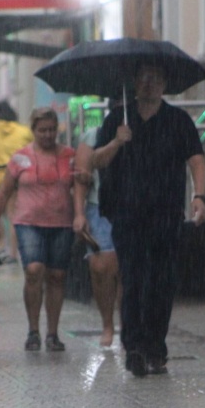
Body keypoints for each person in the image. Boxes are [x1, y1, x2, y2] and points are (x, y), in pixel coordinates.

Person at [91, 63, 205, 377]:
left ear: (164, 83)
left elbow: (196, 158)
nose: (149, 84)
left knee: (161, 281)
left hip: (166, 214)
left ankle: (156, 346)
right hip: (127, 213)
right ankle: (135, 348)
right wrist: (117, 141)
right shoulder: (118, 118)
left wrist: (200, 195)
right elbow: (95, 160)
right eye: (143, 78)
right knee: (132, 280)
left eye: (155, 79)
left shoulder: (178, 120)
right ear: (134, 83)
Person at [0, 108, 75, 352]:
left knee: (57, 276)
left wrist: (80, 215)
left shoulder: (69, 156)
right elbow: (3, 192)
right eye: (42, 130)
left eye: (51, 130)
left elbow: (81, 185)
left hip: (62, 223)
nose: (47, 135)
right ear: (33, 130)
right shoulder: (20, 158)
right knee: (34, 270)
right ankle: (33, 330)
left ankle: (52, 333)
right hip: (28, 222)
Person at [73, 126, 120, 348]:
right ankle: (107, 323)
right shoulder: (94, 135)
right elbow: (81, 176)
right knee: (101, 267)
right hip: (99, 205)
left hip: (136, 205)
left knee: (129, 267)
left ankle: (130, 323)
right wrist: (80, 213)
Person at [0, 101, 33, 264]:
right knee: (13, 216)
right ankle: (13, 253)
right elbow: (32, 153)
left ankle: (0, 246)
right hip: (17, 180)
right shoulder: (24, 132)